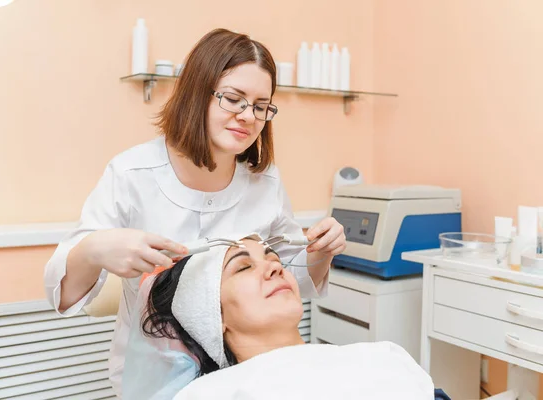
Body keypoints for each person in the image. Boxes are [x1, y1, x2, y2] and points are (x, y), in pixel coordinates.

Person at [43, 28, 347, 397]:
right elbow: (63, 295)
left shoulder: (265, 183)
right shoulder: (132, 175)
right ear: (196, 95)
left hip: (247, 372)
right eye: (233, 99)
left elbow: (289, 283)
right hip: (156, 375)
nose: (247, 116)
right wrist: (96, 248)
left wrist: (319, 255)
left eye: (260, 106)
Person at [130, 235, 437, 399]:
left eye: (274, 259)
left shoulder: (383, 355)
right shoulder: (210, 394)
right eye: (244, 267)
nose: (275, 268)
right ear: (210, 316)